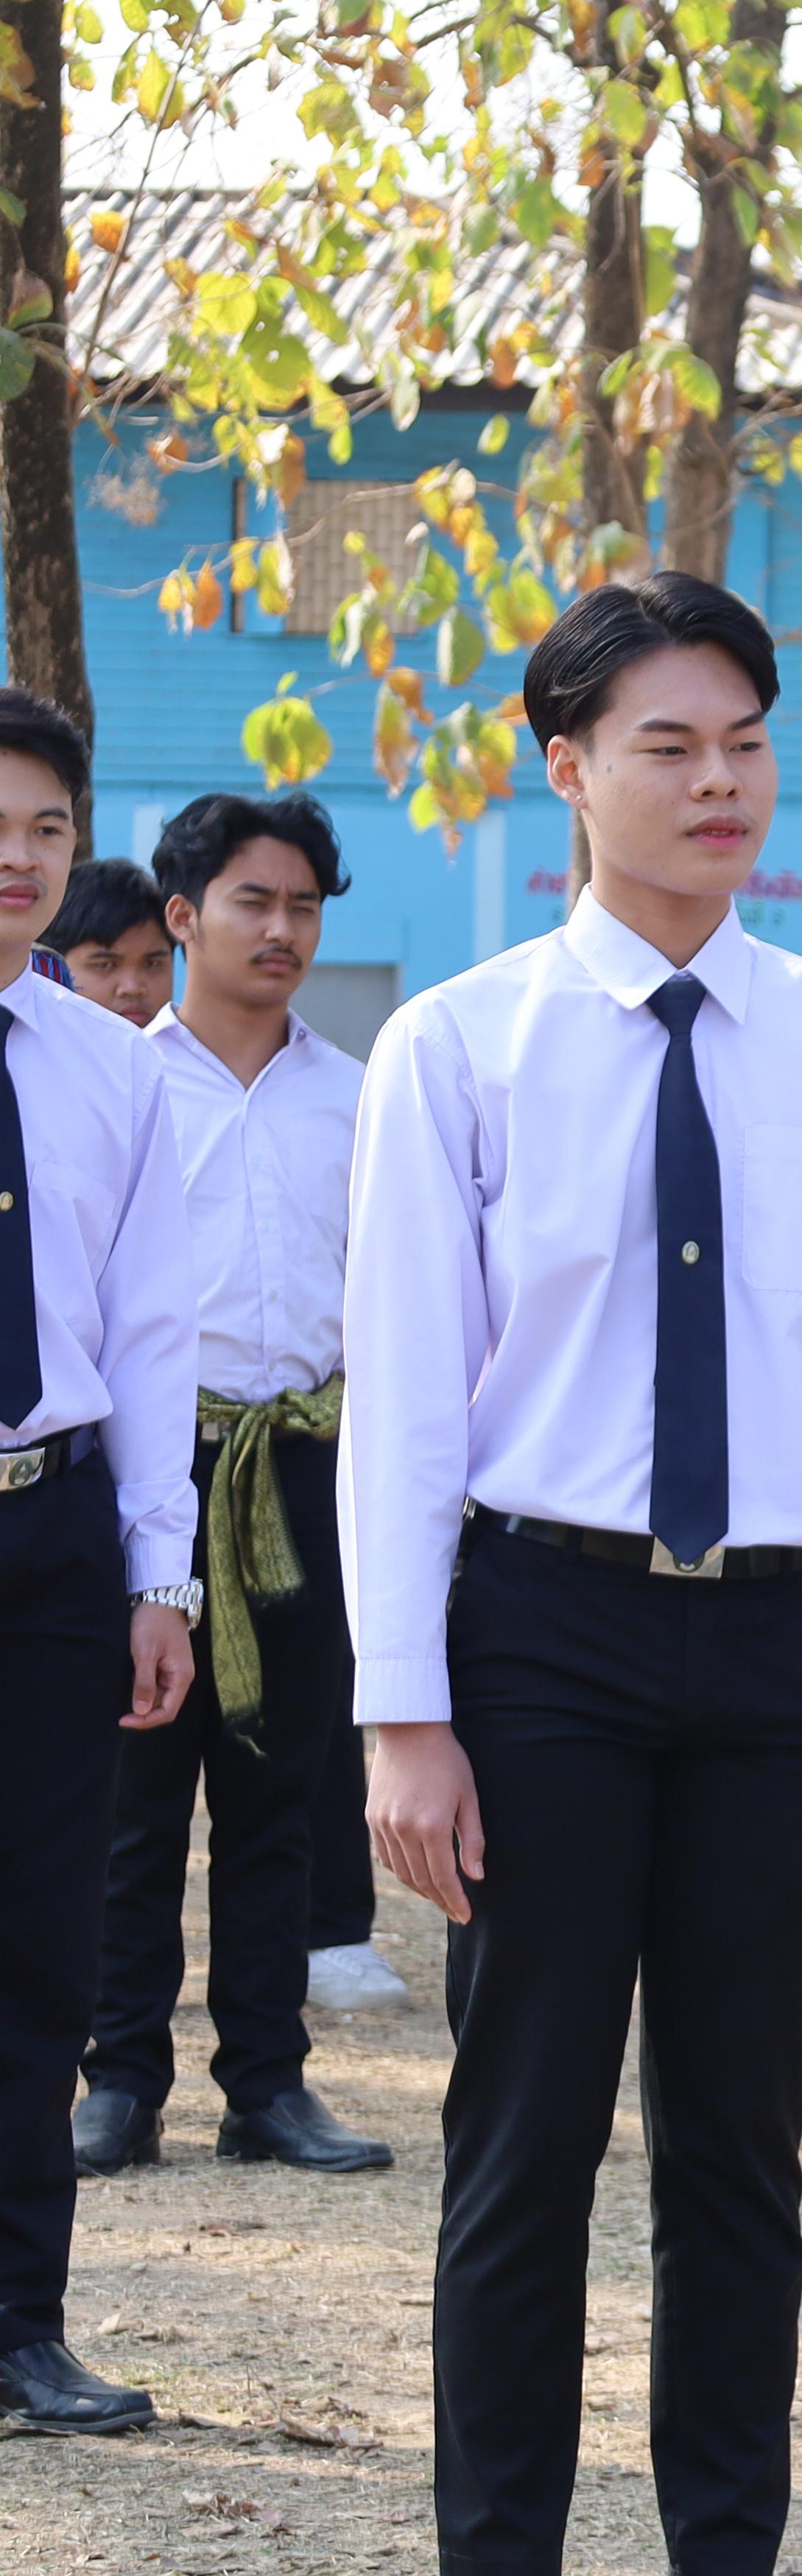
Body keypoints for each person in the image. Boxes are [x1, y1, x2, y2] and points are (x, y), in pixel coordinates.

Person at [347, 572, 802, 2574]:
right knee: (521, 2150)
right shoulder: (457, 1052)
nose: (721, 784)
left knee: (741, 2156)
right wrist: (405, 1715)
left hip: (791, 1644)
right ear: (567, 774)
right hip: (541, 1641)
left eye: (745, 742)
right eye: (667, 747)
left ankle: (727, 2543)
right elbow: (412, 1419)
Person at [76, 793, 392, 2183]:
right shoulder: (114, 1082)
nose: (283, 931)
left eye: (307, 906)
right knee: (136, 1806)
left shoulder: (362, 1091)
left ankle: (268, 2084)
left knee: (283, 1793)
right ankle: (119, 2081)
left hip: (308, 1470)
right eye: (256, 903)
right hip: (153, 1469)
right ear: (184, 917)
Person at [0, 692, 198, 2440]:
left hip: (51, 1536)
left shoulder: (109, 1074)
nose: (17, 855)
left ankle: (21, 2319)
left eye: (48, 826)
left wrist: (162, 1574)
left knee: (41, 1943)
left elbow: (149, 1337)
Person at [47, 857, 172, 1029]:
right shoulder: (14, 1051)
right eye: (105, 965)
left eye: (151, 964)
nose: (132, 988)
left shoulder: (194, 1054)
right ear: (53, 968)